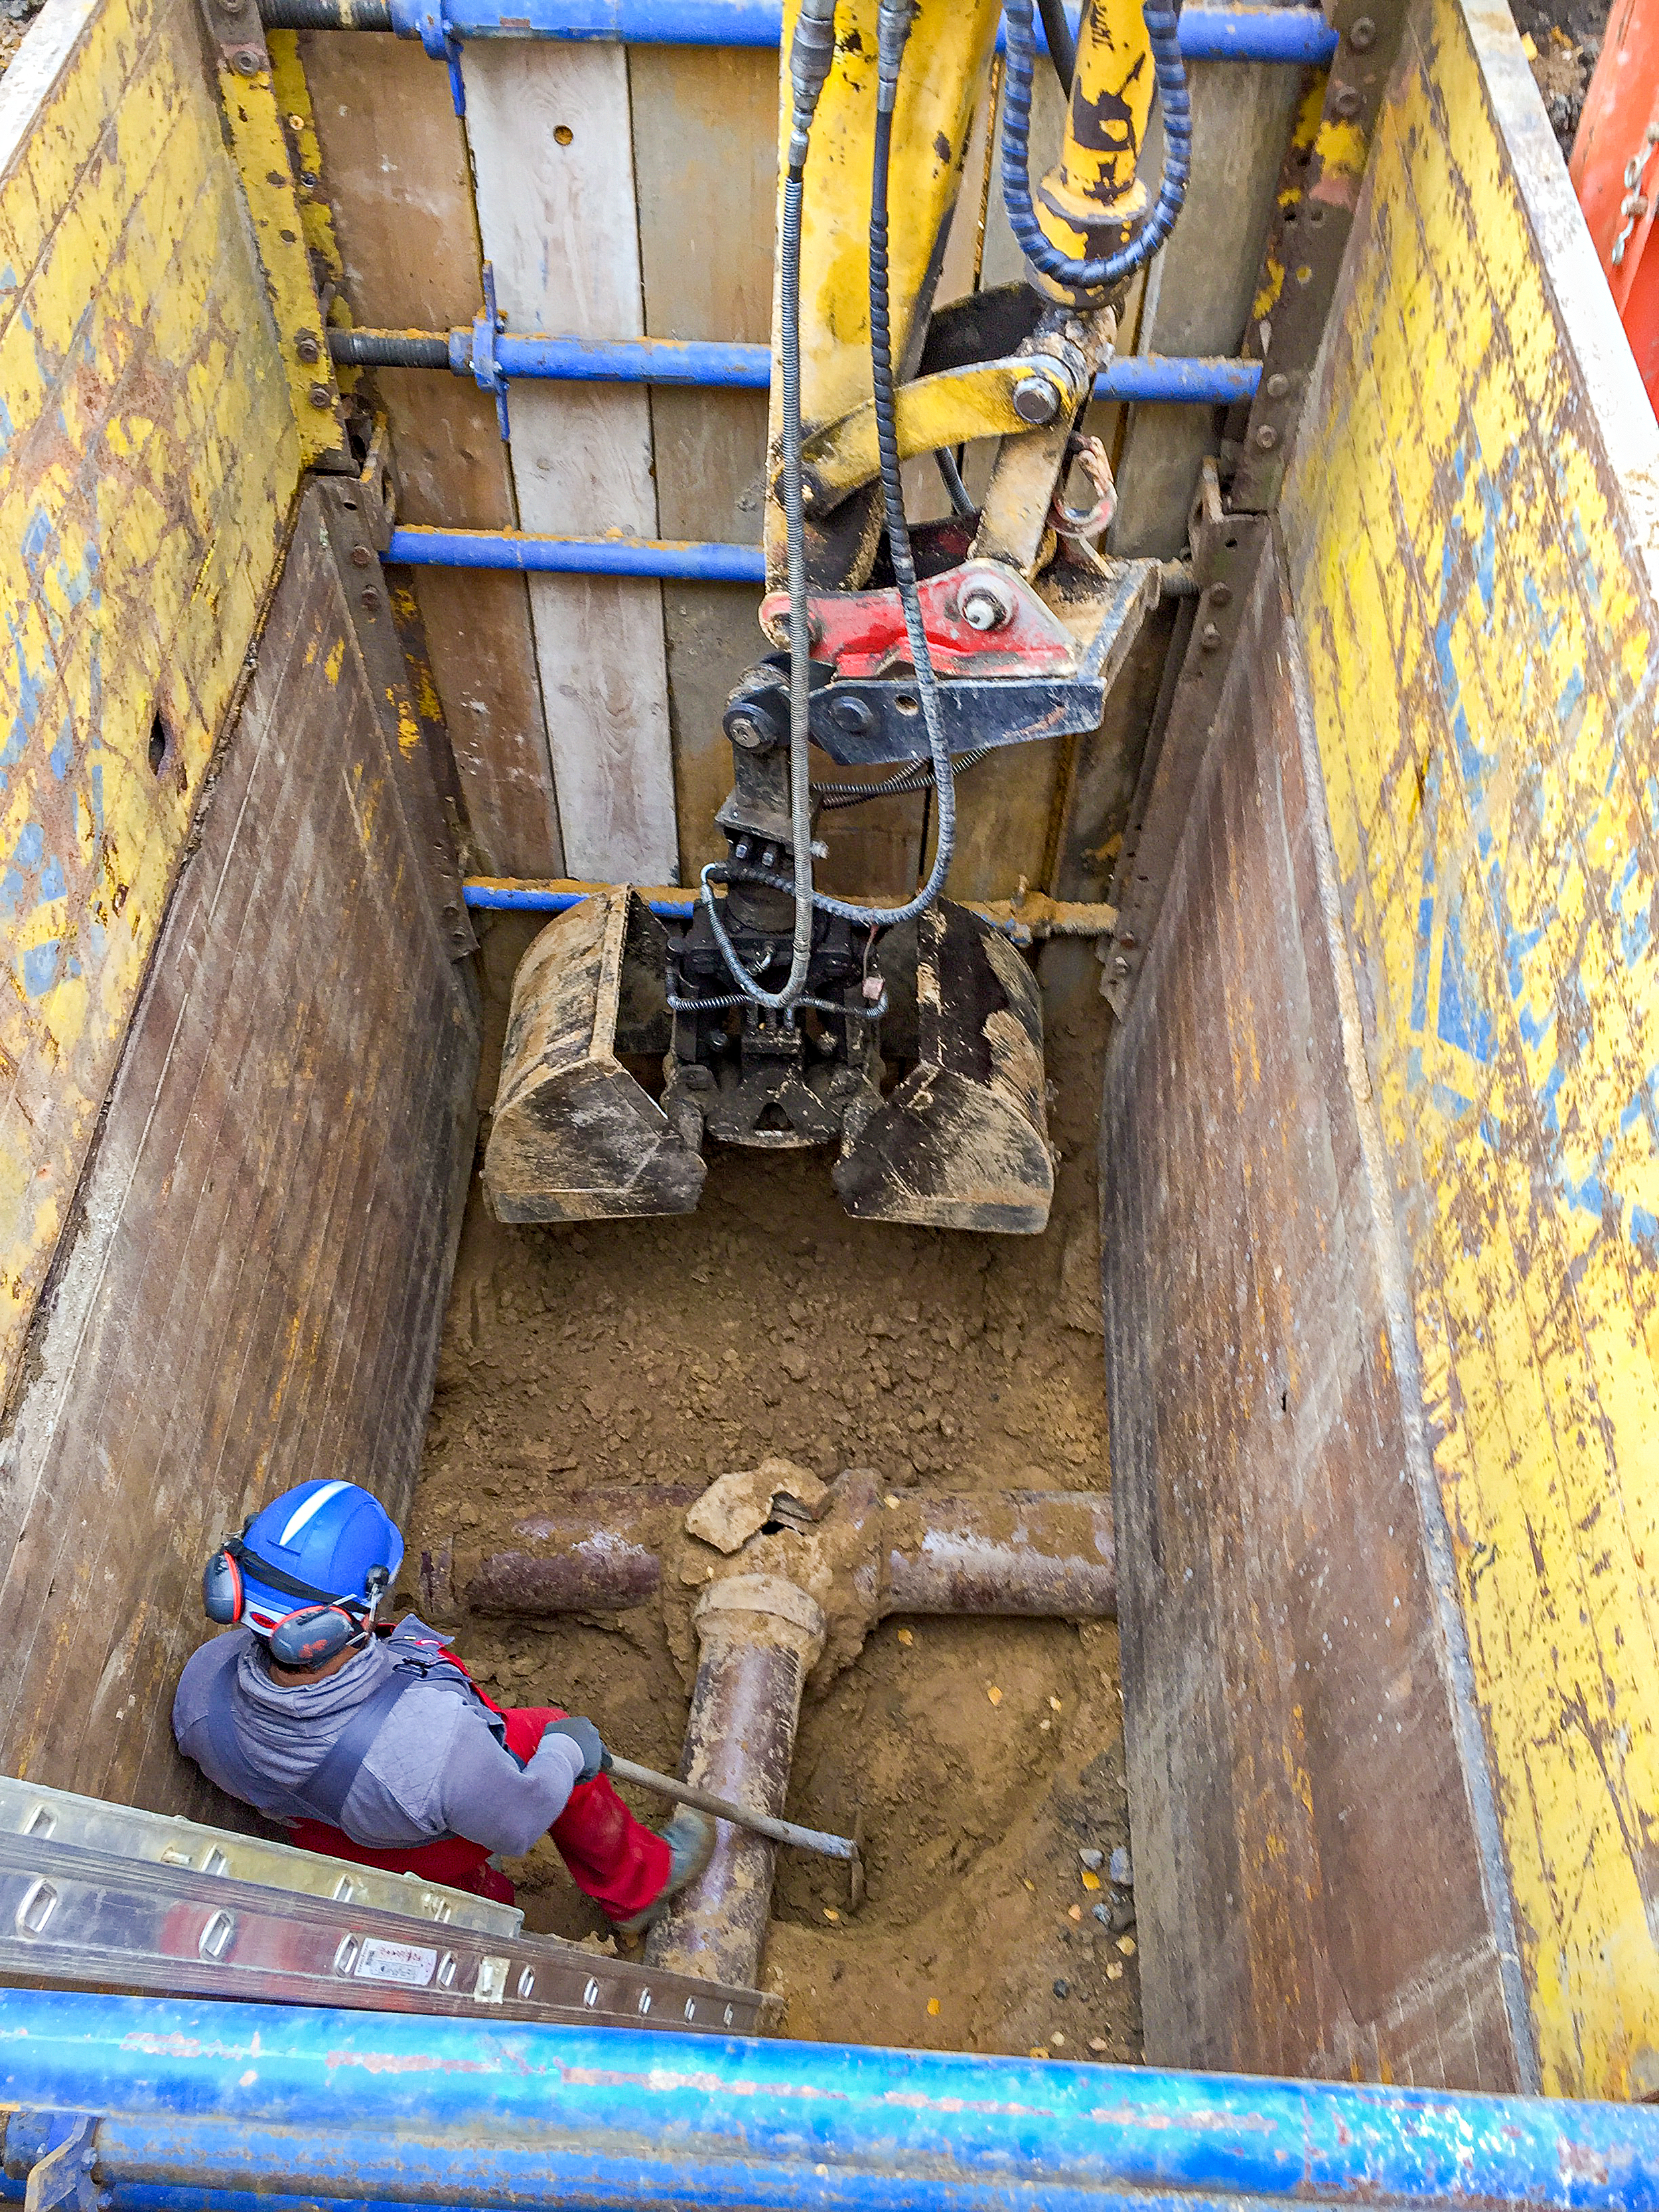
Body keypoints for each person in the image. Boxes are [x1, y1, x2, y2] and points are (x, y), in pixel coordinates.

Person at [173, 1478, 712, 1933]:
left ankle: (486, 1900)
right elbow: (520, 1821)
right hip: (424, 1832)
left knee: (442, 1847)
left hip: (338, 1841)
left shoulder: (199, 1693)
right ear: (354, 1612)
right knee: (547, 1731)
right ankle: (640, 1886)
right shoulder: (435, 1740)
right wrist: (567, 1752)